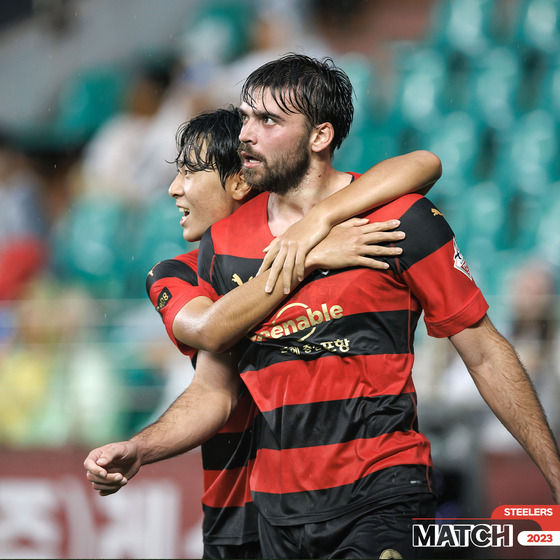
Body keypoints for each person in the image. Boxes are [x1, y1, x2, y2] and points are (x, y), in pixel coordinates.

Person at [193, 54, 560, 559]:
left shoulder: (399, 221)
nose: (245, 134)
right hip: (276, 511)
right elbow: (214, 387)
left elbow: (484, 352)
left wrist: (555, 474)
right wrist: (140, 449)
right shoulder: (224, 242)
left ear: (320, 136)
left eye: (269, 120)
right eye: (245, 117)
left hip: (383, 493)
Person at [83, 105, 442, 559]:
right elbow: (210, 346)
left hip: (351, 499)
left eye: (190, 171)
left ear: (239, 180)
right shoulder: (179, 272)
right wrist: (306, 258)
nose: (175, 188)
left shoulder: (334, 239)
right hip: (237, 513)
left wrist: (317, 224)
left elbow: (424, 163)